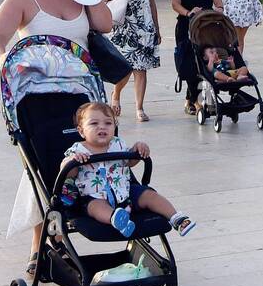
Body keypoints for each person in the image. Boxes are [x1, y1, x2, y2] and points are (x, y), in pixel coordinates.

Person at [0, 0, 112, 277]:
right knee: (44, 165)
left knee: (88, 159)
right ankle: (38, 245)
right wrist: (9, 64)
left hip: (83, 95)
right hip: (40, 97)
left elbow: (104, 24)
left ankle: (89, 221)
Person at [60, 102, 194, 238]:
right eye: (94, 123)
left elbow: (129, 162)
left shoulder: (117, 144)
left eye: (108, 123)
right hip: (94, 196)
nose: (102, 127)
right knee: (95, 207)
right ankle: (116, 219)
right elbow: (67, 173)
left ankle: (176, 218)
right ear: (81, 130)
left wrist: (137, 150)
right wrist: (73, 161)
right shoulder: (78, 150)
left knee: (149, 195)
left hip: (125, 192)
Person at [102, 0, 160, 122]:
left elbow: (151, 4)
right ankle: (116, 94)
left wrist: (156, 28)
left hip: (144, 29)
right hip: (123, 29)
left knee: (141, 70)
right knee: (124, 70)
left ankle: (139, 108)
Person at [170, 0, 224, 115]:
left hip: (206, 27)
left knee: (205, 62)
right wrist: (188, 12)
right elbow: (175, 3)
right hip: (187, 26)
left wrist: (219, 8)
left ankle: (192, 99)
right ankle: (194, 100)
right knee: (190, 64)